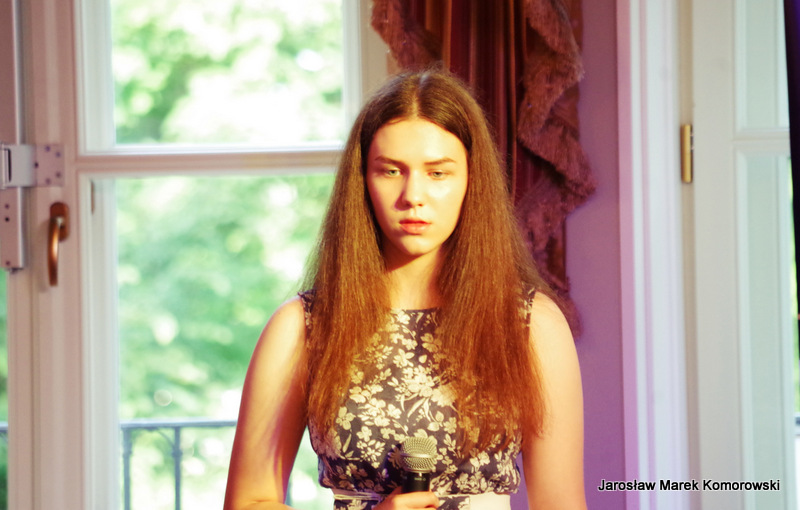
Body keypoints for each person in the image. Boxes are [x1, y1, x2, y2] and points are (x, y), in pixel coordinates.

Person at [224, 68, 586, 510]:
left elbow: (561, 504)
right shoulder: (303, 327)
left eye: (438, 173)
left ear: (471, 180)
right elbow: (247, 502)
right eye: (391, 171)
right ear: (363, 180)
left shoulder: (529, 323)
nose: (413, 195)